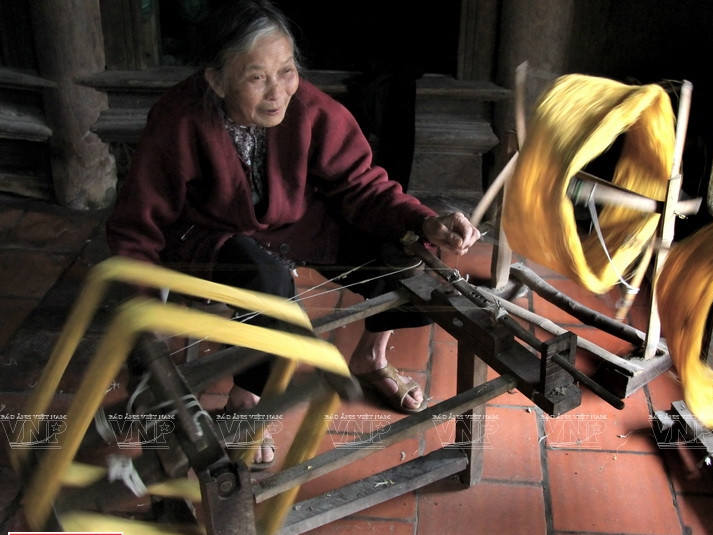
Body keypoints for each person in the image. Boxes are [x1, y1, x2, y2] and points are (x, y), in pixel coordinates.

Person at [105, 0, 481, 467]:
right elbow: (137, 226)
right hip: (209, 233)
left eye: (287, 71)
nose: (277, 92)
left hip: (292, 227)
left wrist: (426, 221)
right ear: (216, 81)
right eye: (256, 76)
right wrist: (141, 323)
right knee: (268, 285)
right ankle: (246, 400)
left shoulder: (310, 109)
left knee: (409, 255)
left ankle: (370, 356)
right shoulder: (178, 120)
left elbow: (362, 185)